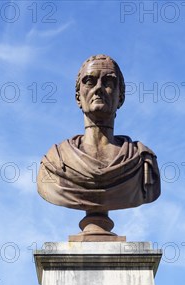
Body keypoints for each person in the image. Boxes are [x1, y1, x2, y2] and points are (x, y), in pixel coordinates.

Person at [38, 54, 160, 213]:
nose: (98, 89)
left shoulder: (142, 162)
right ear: (78, 97)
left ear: (120, 96)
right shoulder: (55, 161)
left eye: (108, 82)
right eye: (90, 81)